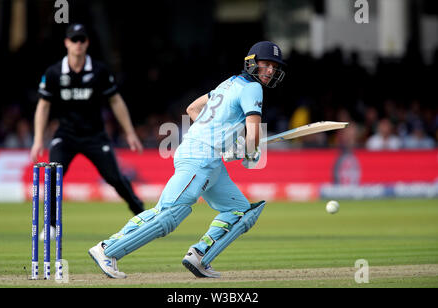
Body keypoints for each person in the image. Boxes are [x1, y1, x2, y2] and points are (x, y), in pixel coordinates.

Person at [88, 41, 286, 278]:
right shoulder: (253, 89)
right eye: (266, 65)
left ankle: (200, 255)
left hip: (208, 158)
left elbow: (193, 109)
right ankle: (107, 249)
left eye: (274, 67)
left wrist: (226, 142)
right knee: (170, 213)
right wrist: (248, 150)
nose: (270, 71)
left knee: (240, 211)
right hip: (199, 157)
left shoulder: (229, 84)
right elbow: (253, 133)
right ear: (252, 63)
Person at [30, 24, 145, 239]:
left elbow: (116, 100)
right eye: (74, 40)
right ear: (66, 43)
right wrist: (38, 139)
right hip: (65, 135)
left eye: (82, 39)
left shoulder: (99, 71)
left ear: (87, 43)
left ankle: (142, 215)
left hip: (95, 135)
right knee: (53, 177)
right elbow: (43, 106)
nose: (78, 44)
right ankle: (52, 226)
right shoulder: (54, 73)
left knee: (115, 178)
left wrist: (129, 132)